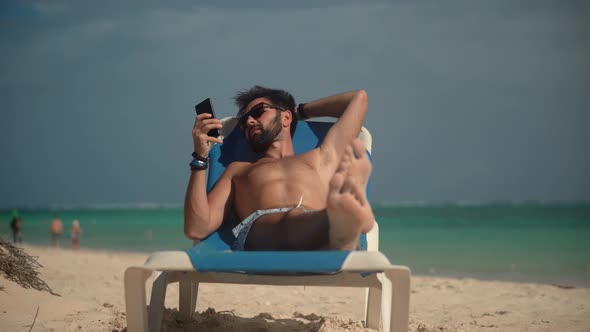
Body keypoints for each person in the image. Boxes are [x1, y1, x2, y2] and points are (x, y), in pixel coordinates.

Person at [184, 86, 374, 251]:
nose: (249, 121)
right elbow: (197, 228)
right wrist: (200, 157)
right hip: (263, 231)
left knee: (308, 221)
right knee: (295, 219)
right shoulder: (238, 171)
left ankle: (340, 228)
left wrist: (299, 111)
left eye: (258, 112)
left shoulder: (321, 157)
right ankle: (343, 222)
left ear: (286, 117)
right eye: (244, 121)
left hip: (314, 223)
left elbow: (358, 99)